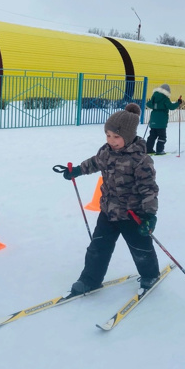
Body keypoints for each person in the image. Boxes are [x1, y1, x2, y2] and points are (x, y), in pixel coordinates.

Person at [61, 103, 160, 295]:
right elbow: (94, 162)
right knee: (98, 248)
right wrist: (78, 170)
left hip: (133, 214)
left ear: (129, 136)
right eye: (108, 135)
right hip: (108, 211)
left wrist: (149, 215)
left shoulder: (141, 160)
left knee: (141, 249)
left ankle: (150, 275)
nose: (111, 140)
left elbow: (149, 189)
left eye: (116, 136)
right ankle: (90, 280)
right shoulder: (106, 152)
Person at [145, 84, 182, 155]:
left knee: (152, 136)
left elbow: (148, 104)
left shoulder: (154, 97)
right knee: (162, 136)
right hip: (161, 121)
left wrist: (155, 106)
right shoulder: (165, 98)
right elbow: (171, 107)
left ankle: (148, 149)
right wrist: (178, 103)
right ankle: (159, 150)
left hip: (153, 120)